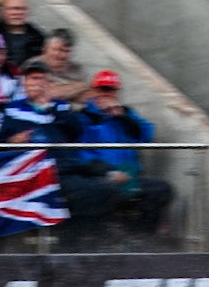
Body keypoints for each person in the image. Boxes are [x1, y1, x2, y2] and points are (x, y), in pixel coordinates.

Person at [74, 69, 173, 234]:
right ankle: (102, 240)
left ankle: (141, 238)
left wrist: (123, 117)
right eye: (102, 89)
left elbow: (146, 134)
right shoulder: (83, 117)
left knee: (161, 189)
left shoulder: (126, 114)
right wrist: (109, 172)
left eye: (110, 90)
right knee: (105, 193)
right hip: (100, 178)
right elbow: (82, 154)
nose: (106, 94)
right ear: (93, 91)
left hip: (130, 177)